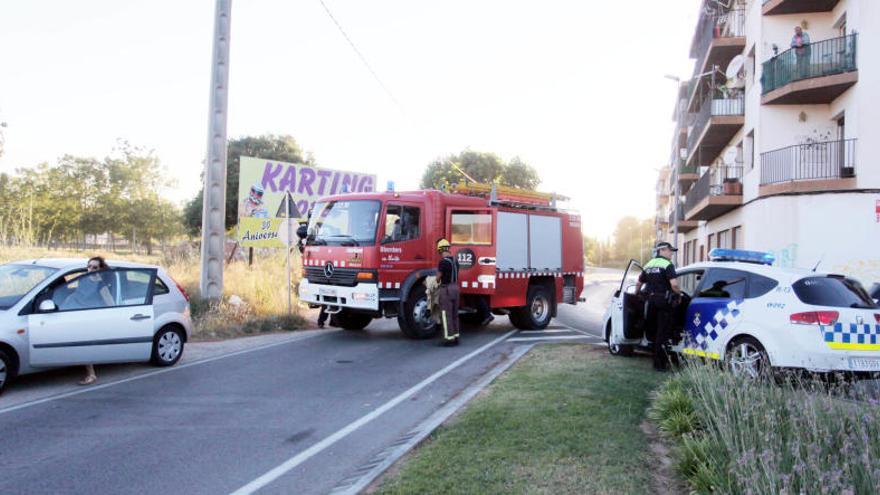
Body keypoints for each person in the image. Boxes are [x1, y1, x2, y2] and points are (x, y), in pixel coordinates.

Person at [635, 242, 682, 371]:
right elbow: (674, 285)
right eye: (670, 251)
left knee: (654, 333)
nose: (671, 253)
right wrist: (679, 294)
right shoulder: (667, 265)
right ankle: (660, 365)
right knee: (663, 333)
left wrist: (636, 295)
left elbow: (638, 283)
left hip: (650, 302)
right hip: (663, 303)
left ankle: (656, 361)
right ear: (662, 251)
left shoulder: (648, 265)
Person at [69, 257, 115, 385]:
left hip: (89, 316)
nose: (91, 269)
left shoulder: (101, 285)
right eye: (89, 266)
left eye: (95, 267)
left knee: (83, 343)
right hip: (74, 311)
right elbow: (77, 294)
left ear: (101, 269)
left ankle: (91, 374)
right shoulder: (83, 280)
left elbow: (110, 304)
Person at [436, 239, 460, 346]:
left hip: (446, 290)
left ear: (441, 250)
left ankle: (449, 339)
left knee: (446, 315)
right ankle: (456, 336)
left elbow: (438, 278)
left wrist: (435, 280)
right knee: (455, 314)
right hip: (455, 288)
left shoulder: (443, 262)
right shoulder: (455, 260)